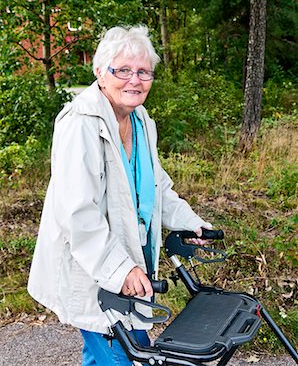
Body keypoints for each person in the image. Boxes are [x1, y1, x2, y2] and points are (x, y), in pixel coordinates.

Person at [28, 25, 212, 366]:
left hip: (130, 261)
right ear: (100, 72)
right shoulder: (80, 124)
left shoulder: (141, 120)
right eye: (123, 70)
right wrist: (121, 269)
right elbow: (77, 214)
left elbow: (157, 188)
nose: (134, 80)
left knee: (119, 355)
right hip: (94, 268)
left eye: (143, 72)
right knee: (121, 357)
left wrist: (192, 224)